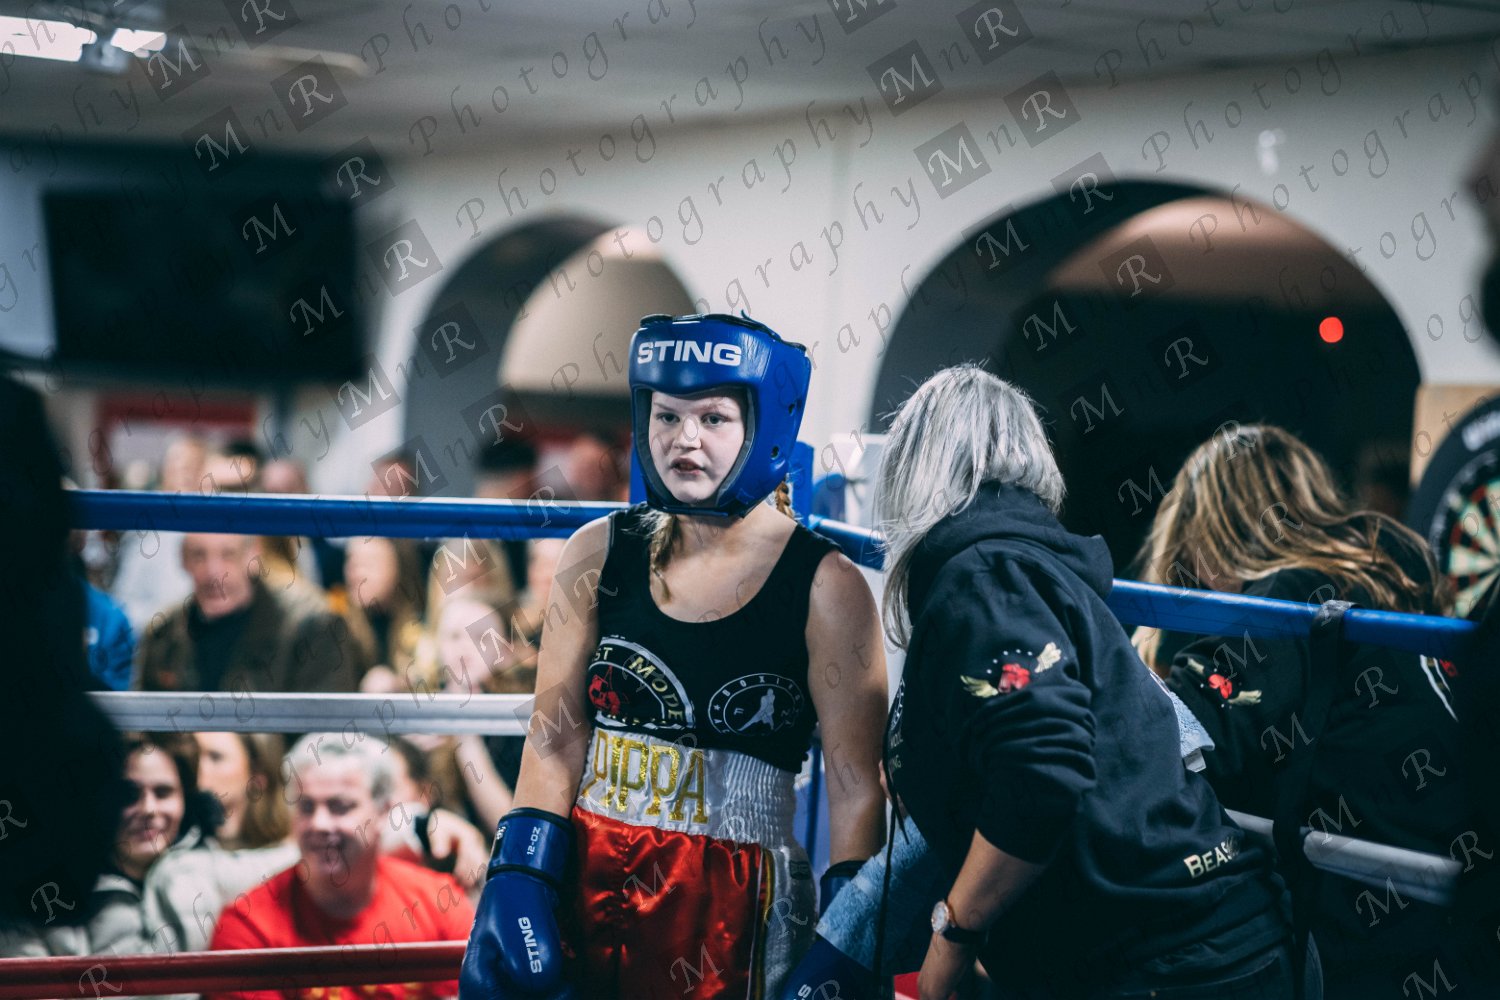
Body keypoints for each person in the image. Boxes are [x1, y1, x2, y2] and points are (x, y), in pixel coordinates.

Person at [460, 313, 889, 999]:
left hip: (739, 900)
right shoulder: (596, 553)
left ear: (764, 428)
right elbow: (555, 738)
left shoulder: (826, 586)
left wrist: (852, 937)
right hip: (589, 872)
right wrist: (521, 871)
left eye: (713, 418)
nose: (684, 439)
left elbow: (855, 784)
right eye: (667, 416)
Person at [871, 365, 1293, 1000]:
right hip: (1192, 942)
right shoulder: (1023, 567)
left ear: (914, 468)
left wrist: (951, 939)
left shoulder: (985, 572)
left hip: (1169, 958)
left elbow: (1040, 773)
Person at [1136, 423, 1492, 999]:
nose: (1196, 579)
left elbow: (1180, 739)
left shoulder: (1293, 596)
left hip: (1383, 930)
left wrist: (1133, 675)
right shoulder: (1388, 577)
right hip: (1457, 904)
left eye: (1190, 557)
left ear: (1212, 532)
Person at [207, 733, 477, 1000]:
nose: (319, 824)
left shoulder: (439, 902)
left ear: (383, 812)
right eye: (306, 807)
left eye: (340, 806)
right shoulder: (248, 926)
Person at [1, 734, 219, 958]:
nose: (149, 809)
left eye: (163, 793)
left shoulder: (212, 871)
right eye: (129, 794)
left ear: (187, 801)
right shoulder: (45, 892)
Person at [135, 531, 367, 692]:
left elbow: (324, 737)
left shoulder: (313, 625)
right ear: (183, 559)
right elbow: (141, 729)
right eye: (199, 555)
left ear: (253, 554)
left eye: (228, 554)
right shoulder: (163, 633)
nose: (213, 572)